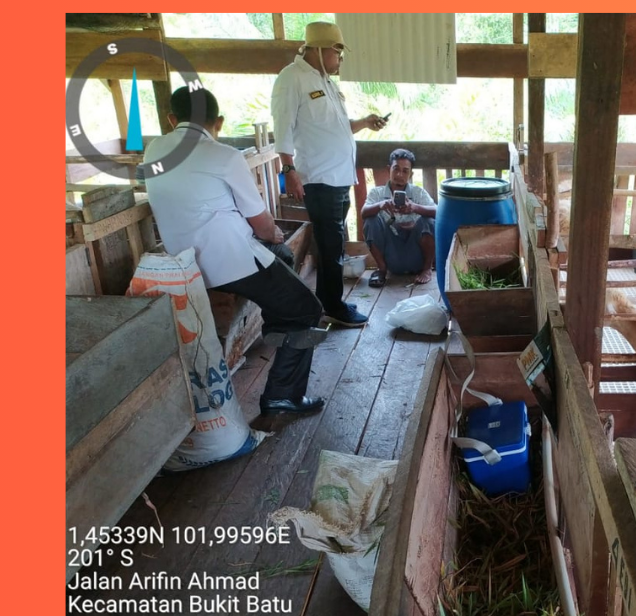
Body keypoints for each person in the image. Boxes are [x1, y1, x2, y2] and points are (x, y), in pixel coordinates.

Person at [141, 86, 327, 419]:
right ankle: (282, 396)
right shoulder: (224, 156)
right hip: (228, 262)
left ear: (172, 119)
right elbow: (260, 223)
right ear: (220, 122)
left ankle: (276, 328)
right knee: (307, 309)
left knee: (282, 257)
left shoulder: (154, 150)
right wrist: (273, 233)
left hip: (183, 262)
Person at [269, 21, 389, 328]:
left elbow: (335, 128)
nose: (340, 62)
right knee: (331, 242)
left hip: (338, 177)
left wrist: (364, 122)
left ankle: (328, 301)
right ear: (322, 51)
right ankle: (332, 306)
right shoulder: (291, 78)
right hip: (318, 177)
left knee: (334, 241)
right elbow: (282, 129)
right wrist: (289, 169)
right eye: (338, 54)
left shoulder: (324, 81)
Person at [361, 148, 437, 288]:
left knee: (428, 220)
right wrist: (381, 205)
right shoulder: (377, 193)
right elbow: (363, 212)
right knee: (370, 219)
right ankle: (382, 270)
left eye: (405, 171)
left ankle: (427, 269)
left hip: (415, 254)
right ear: (388, 169)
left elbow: (438, 212)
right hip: (391, 255)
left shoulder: (418, 193)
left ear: (411, 174)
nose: (399, 175)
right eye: (396, 169)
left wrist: (415, 208)